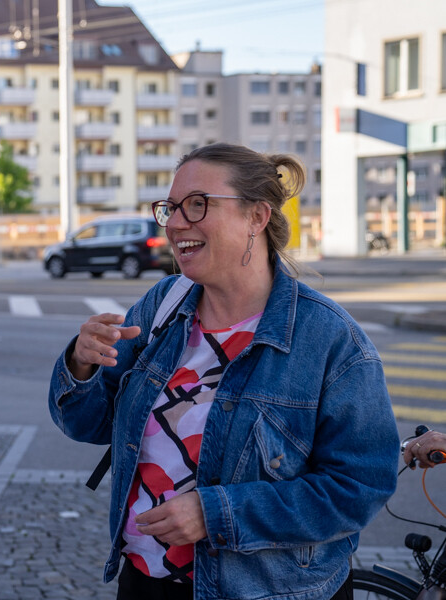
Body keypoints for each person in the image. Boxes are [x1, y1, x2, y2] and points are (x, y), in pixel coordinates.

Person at [48, 143, 399, 600]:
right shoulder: (162, 304)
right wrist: (81, 364)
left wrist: (216, 513)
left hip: (267, 591)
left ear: (257, 217)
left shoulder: (330, 339)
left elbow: (359, 487)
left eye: (198, 204)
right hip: (145, 582)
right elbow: (89, 425)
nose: (176, 223)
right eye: (171, 207)